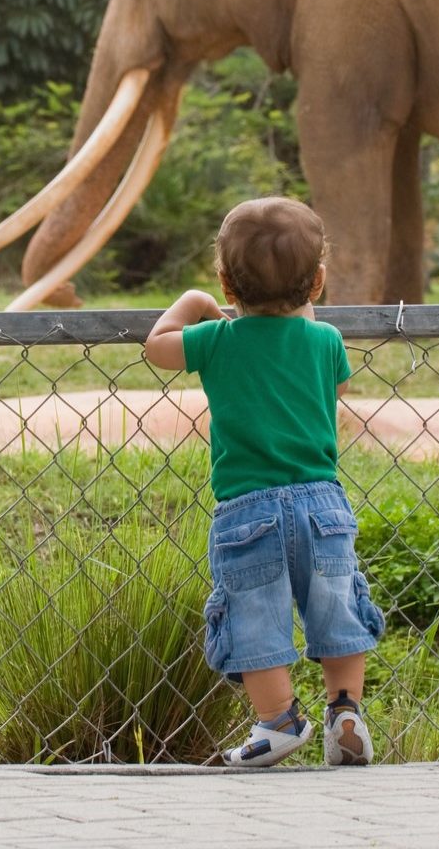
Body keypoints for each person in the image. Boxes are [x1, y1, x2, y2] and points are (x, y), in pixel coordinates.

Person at [145, 196, 385, 767]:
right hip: (321, 502)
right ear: (319, 283)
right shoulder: (324, 341)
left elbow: (157, 347)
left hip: (248, 508)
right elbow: (337, 390)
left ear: (227, 286)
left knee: (254, 612)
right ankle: (345, 710)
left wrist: (194, 302)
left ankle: (278, 721)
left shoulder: (218, 341)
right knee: (336, 606)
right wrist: (299, 318)